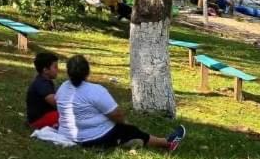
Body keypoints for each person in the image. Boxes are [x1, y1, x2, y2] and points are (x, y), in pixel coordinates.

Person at [56, 55, 184, 152]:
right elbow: (117, 115)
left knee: (124, 131)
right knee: (130, 130)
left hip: (66, 134)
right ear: (87, 72)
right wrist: (124, 123)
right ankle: (167, 143)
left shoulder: (62, 88)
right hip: (91, 139)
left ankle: (129, 141)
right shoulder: (95, 91)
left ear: (68, 72)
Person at [26, 51, 60, 130]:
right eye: (55, 67)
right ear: (45, 70)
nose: (57, 69)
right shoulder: (42, 84)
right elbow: (56, 103)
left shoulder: (45, 81)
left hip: (46, 116)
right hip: (39, 120)